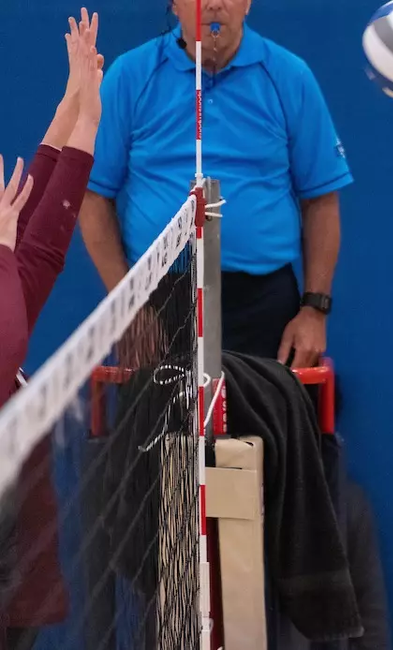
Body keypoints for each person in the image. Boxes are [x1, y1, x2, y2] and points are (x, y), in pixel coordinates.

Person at [78, 0, 353, 368]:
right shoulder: (130, 75)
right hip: (158, 305)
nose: (214, 4)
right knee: (165, 427)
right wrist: (126, 307)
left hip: (263, 308)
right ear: (174, 6)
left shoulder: (290, 76)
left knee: (264, 428)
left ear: (248, 4)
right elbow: (93, 196)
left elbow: (320, 199)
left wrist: (315, 310)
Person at [0, 10, 103, 649]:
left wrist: (79, 109)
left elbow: (47, 219)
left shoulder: (12, 273)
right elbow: (7, 345)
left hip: (17, 553)